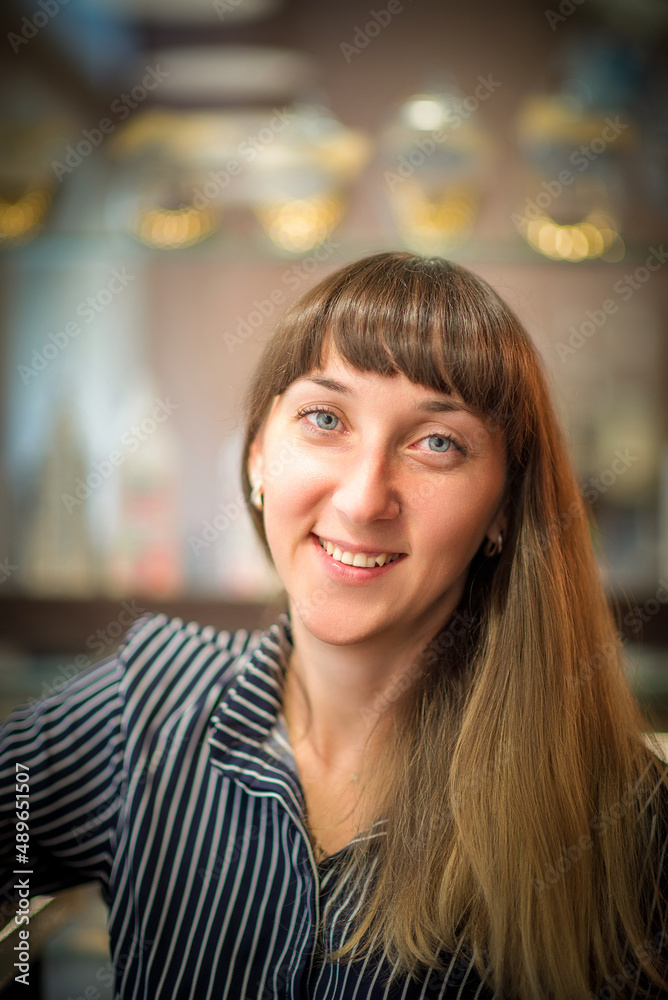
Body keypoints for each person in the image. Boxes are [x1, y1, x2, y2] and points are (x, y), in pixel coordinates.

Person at [1, 251, 667, 999]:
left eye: (437, 443)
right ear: (258, 456)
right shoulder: (145, 700)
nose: (363, 498)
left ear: (504, 511)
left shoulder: (622, 817)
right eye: (325, 419)